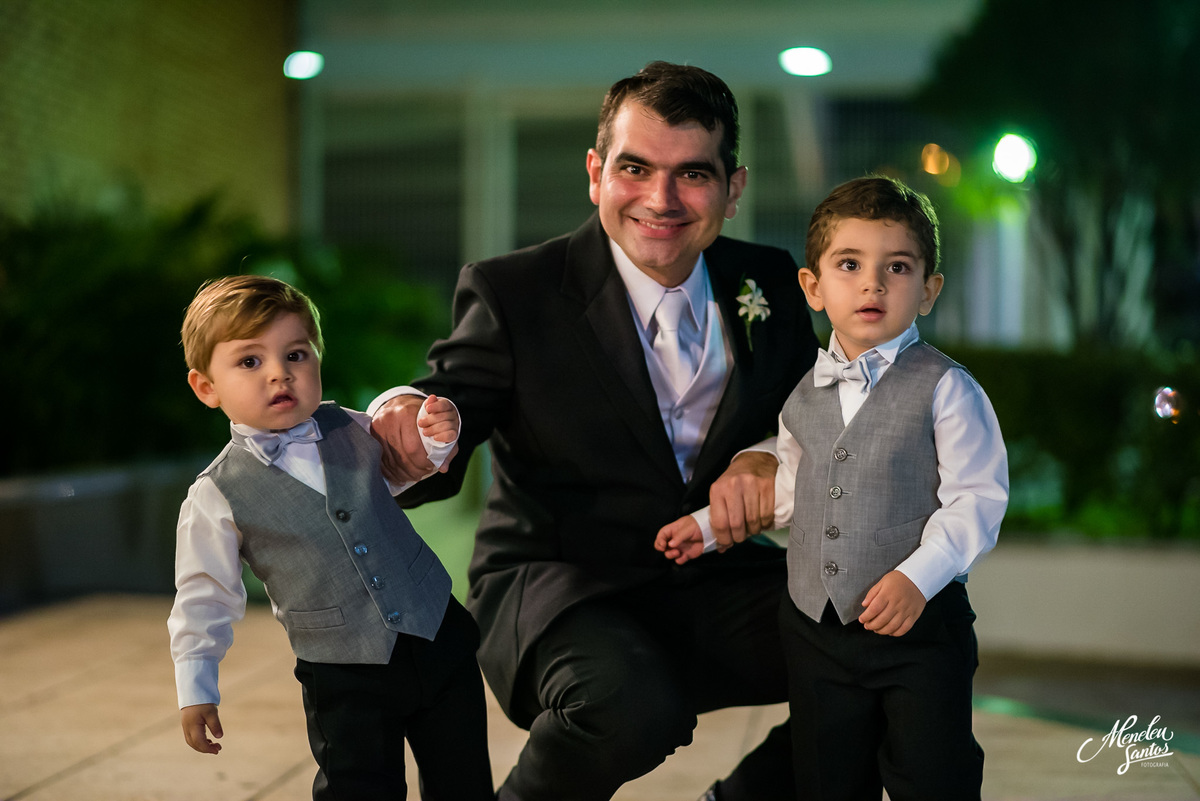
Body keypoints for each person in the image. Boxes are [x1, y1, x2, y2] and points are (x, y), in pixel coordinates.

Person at [369, 62, 820, 801]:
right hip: (557, 585)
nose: (661, 199)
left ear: (733, 188)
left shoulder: (767, 280)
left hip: (711, 578)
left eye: (693, 175)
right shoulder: (515, 290)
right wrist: (416, 424)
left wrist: (769, 459)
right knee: (632, 704)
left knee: (902, 643)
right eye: (635, 167)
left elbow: (819, 420)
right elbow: (449, 399)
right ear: (595, 171)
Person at [656, 175, 1009, 800]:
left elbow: (976, 502)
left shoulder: (948, 389)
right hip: (817, 630)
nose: (873, 283)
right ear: (813, 288)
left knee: (933, 772)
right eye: (850, 264)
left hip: (919, 635)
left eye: (897, 267)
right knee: (826, 776)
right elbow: (793, 489)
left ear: (928, 291)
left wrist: (917, 577)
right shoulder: (804, 394)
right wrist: (709, 528)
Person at [167, 275, 493, 801]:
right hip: (343, 670)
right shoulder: (215, 494)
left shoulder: (349, 426)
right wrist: (196, 685)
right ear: (207, 387)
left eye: (296, 355)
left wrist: (436, 434)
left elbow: (406, 462)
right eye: (250, 362)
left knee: (464, 781)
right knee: (357, 788)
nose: (279, 374)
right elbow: (204, 596)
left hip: (437, 635)